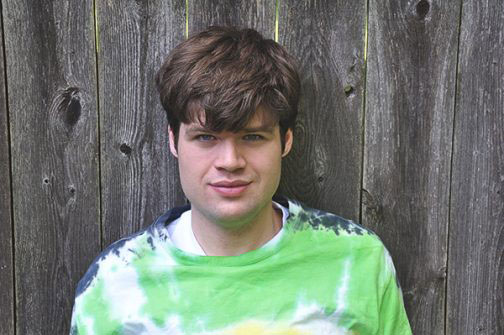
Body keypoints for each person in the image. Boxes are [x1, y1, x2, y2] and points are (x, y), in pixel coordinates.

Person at [69, 26, 412, 335]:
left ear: (286, 141)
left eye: (252, 137)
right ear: (173, 141)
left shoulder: (357, 261)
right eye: (206, 137)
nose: (230, 162)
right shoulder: (113, 282)